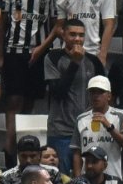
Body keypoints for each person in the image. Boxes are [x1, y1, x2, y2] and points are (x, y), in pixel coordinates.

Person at [0, 0, 55, 158]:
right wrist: (1, 55)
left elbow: (54, 25)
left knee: (30, 98)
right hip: (14, 50)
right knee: (13, 99)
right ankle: (9, 147)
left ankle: (23, 146)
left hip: (38, 51)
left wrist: (43, 48)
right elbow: (2, 23)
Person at [43, 20, 104, 173]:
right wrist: (75, 63)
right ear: (63, 34)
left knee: (89, 176)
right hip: (61, 130)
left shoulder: (93, 61)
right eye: (73, 34)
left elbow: (104, 95)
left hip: (88, 130)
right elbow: (58, 93)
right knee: (61, 177)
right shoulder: (53, 57)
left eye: (81, 35)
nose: (77, 39)